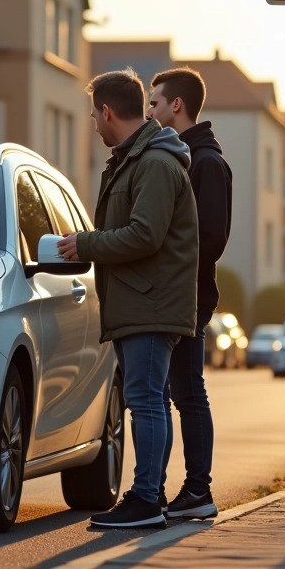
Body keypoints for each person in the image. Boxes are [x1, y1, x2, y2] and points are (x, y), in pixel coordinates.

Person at [58, 68, 198, 529]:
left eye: (94, 115)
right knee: (150, 398)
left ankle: (144, 500)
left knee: (145, 400)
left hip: (151, 304)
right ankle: (150, 496)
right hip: (141, 302)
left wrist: (87, 243)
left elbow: (145, 235)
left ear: (108, 111)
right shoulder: (136, 159)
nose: (94, 124)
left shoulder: (154, 163)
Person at [146, 66, 233, 520]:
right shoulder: (185, 156)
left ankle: (198, 491)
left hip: (189, 297)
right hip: (173, 294)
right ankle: (157, 493)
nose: (150, 110)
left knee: (187, 393)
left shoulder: (207, 162)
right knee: (168, 392)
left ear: (176, 105)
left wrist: (171, 269)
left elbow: (212, 237)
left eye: (155, 102)